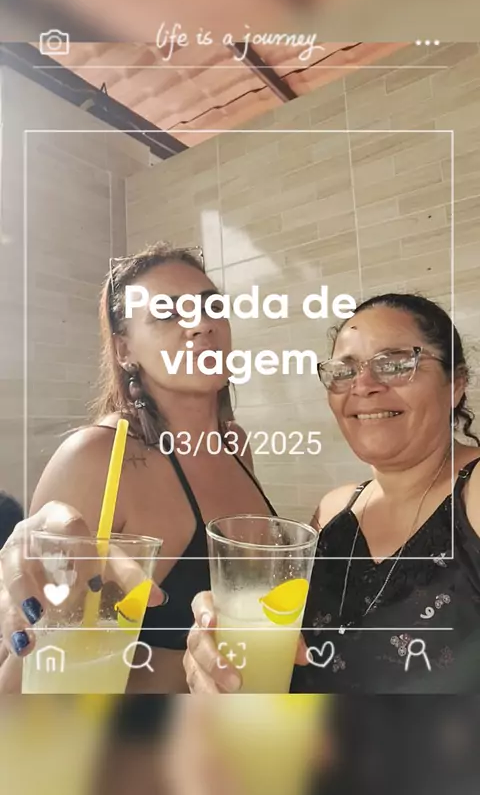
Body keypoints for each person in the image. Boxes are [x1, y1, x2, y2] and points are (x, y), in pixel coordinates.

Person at [0, 243, 276, 693]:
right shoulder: (98, 457)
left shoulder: (235, 444)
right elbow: (34, 673)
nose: (201, 324)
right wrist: (194, 668)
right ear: (125, 349)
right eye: (166, 313)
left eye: (212, 307)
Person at [184, 293, 480, 694]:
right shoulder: (333, 510)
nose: (364, 385)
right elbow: (276, 631)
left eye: (395, 363)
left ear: (456, 385)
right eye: (344, 370)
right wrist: (219, 643)